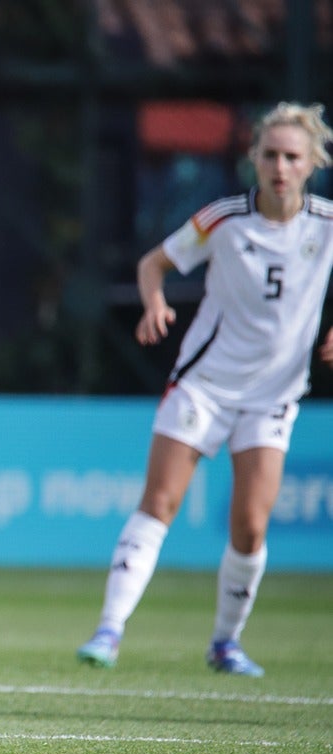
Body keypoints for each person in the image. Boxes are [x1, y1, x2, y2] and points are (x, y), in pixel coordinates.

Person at [76, 101, 333, 676]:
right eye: (270, 155)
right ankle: (108, 631)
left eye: (293, 157)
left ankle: (225, 643)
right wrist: (154, 301)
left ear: (312, 163)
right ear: (254, 160)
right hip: (204, 387)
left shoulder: (326, 222)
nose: (281, 167)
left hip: (273, 398)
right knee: (160, 503)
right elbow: (153, 264)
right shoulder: (223, 218)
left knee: (251, 525)